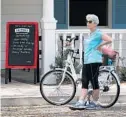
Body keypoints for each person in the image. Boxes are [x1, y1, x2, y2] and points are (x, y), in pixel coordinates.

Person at [69, 14, 112, 110]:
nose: (87, 23)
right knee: (84, 81)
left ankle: (95, 102)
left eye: (90, 21)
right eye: (87, 21)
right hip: (87, 60)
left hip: (94, 60)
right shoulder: (90, 34)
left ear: (95, 23)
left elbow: (110, 40)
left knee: (94, 82)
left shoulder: (98, 33)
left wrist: (101, 46)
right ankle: (81, 102)